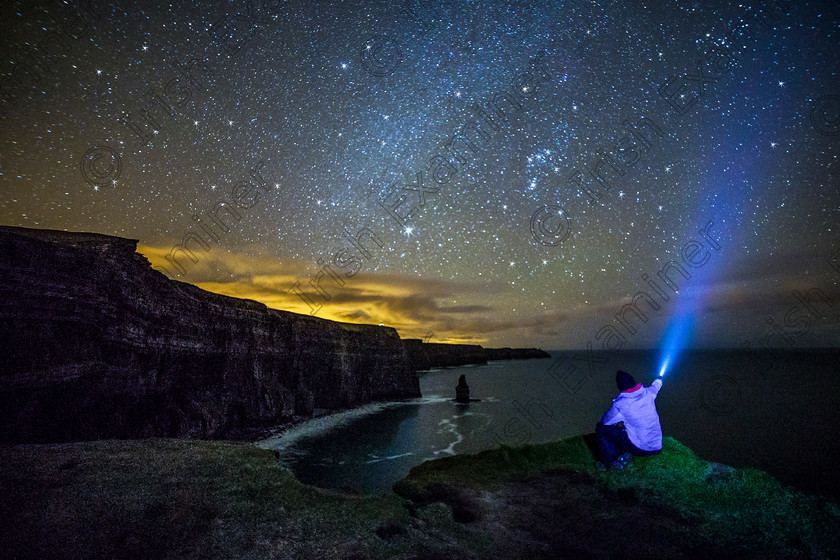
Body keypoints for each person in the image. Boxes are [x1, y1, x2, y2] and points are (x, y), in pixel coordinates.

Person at [595, 369, 663, 471]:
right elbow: (656, 386)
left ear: (620, 386)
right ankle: (624, 453)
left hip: (641, 449)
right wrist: (659, 379)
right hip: (656, 446)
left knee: (601, 428)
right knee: (627, 428)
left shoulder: (620, 404)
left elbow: (606, 422)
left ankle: (609, 461)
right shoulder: (648, 393)